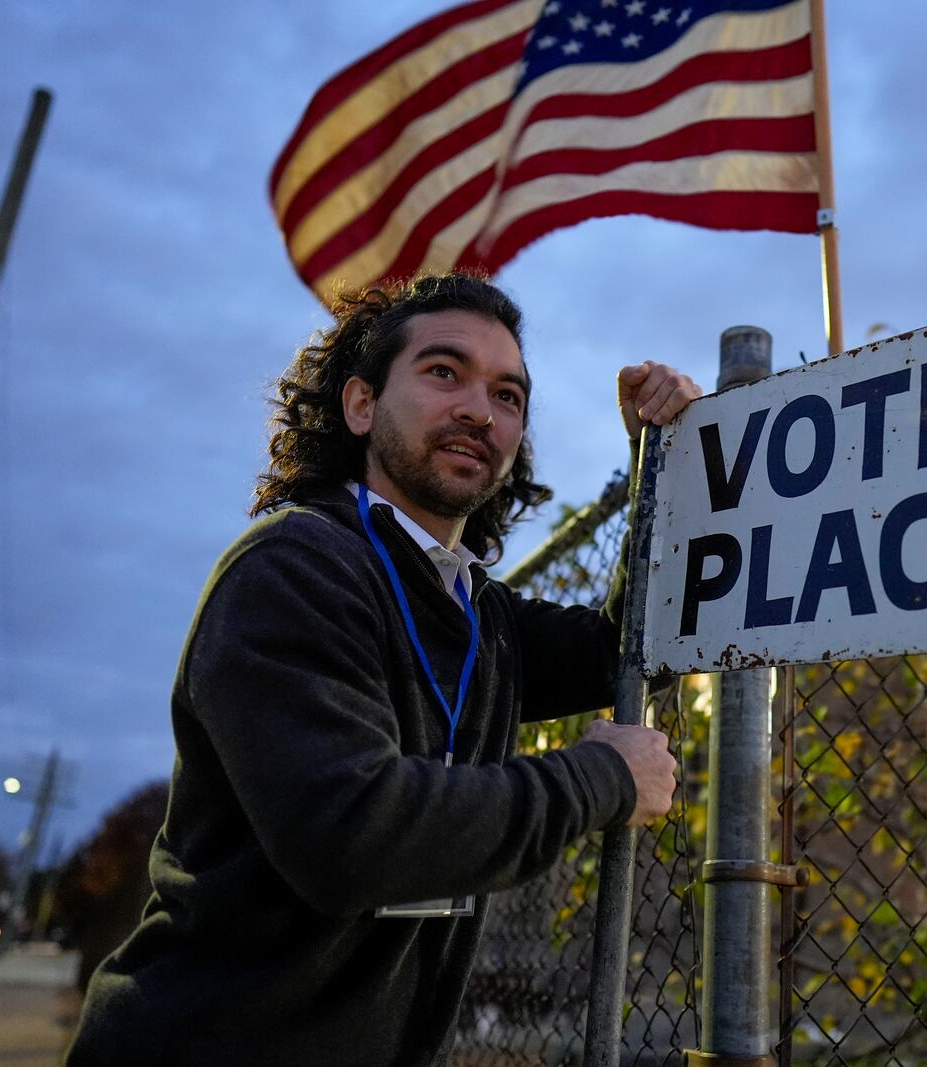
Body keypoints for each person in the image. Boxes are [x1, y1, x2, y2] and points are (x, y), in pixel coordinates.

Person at [65, 273, 701, 1065]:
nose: (480, 408)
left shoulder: (478, 611)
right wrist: (601, 778)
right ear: (360, 405)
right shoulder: (292, 567)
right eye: (444, 372)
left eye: (508, 394)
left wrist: (662, 465)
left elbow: (632, 647)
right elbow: (351, 832)